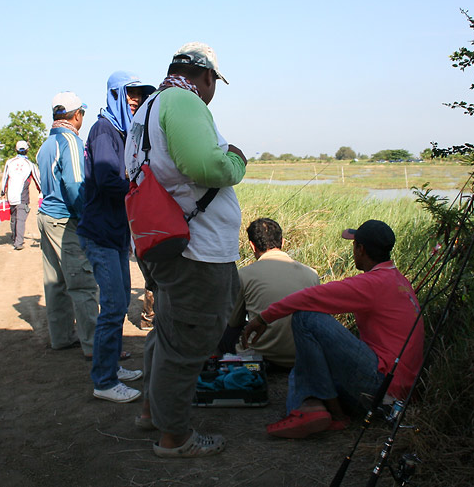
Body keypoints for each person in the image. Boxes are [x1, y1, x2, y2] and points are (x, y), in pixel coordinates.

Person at [125, 42, 246, 457]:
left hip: (166, 241)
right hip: (198, 250)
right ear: (208, 76)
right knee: (189, 341)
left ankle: (150, 409)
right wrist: (238, 161)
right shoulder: (183, 100)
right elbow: (207, 167)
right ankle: (174, 437)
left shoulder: (147, 108)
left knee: (169, 331)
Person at [242, 219, 424, 439]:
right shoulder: (399, 280)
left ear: (361, 249)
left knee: (305, 317)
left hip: (383, 386)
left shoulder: (373, 283)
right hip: (401, 387)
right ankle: (310, 406)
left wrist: (263, 318)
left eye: (354, 245)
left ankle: (332, 414)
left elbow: (310, 298)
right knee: (299, 370)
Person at [77, 71, 155, 403]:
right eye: (129, 94)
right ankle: (105, 381)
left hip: (115, 234)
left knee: (121, 302)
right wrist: (142, 187)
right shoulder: (104, 131)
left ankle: (112, 365)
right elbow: (110, 180)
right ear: (113, 95)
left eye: (139, 94)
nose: (135, 100)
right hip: (101, 233)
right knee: (112, 306)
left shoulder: (123, 132)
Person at [35, 92, 99, 358]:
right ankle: (95, 346)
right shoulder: (70, 141)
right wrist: (88, 219)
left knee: (55, 283)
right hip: (65, 220)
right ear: (76, 115)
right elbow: (75, 186)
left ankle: (61, 337)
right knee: (83, 285)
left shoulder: (46, 143)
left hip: (46, 216)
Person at [220, 218, 319, 368]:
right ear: (283, 242)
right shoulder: (312, 274)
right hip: (301, 354)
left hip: (260, 356)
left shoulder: (245, 274)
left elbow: (234, 321)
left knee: (223, 329)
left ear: (252, 246)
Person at [0, 140, 41, 250]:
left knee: (13, 218)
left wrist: (3, 192)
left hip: (11, 195)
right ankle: (18, 243)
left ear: (16, 149)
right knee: (21, 219)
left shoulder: (9, 162)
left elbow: (4, 178)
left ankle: (14, 239)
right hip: (22, 196)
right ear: (27, 150)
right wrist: (42, 192)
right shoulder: (30, 165)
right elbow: (38, 180)